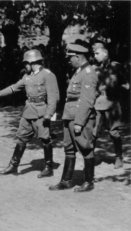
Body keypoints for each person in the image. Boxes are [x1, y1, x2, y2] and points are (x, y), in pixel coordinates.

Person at [0, 49, 59, 178]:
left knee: (45, 139)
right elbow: (14, 87)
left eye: (25, 63)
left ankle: (48, 167)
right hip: (28, 111)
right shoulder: (27, 76)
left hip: (41, 112)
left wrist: (49, 115)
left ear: (32, 62)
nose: (24, 66)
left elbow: (54, 97)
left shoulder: (48, 75)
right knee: (21, 138)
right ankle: (13, 166)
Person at [49, 42, 98, 192]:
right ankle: (66, 181)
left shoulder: (89, 73)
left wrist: (79, 122)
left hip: (78, 117)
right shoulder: (78, 72)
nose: (69, 60)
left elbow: (87, 100)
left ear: (77, 57)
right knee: (69, 148)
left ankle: (89, 182)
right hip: (69, 115)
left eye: (71, 58)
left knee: (85, 148)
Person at [93, 44, 125, 169]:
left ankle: (118, 157)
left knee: (114, 132)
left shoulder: (115, 66)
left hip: (111, 103)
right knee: (93, 132)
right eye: (94, 54)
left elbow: (123, 83)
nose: (95, 56)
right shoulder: (95, 68)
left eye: (97, 53)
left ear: (105, 54)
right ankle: (91, 156)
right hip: (98, 103)